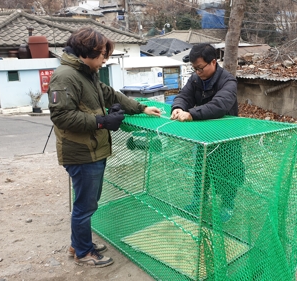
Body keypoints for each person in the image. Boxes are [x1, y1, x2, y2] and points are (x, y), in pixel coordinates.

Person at [47, 27, 161, 267]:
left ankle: (78, 243)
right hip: (81, 152)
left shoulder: (86, 72)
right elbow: (62, 117)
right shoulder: (66, 76)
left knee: (87, 202)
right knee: (85, 206)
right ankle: (83, 253)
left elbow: (108, 94)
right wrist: (101, 121)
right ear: (87, 52)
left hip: (92, 149)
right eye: (102, 55)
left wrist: (140, 108)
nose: (104, 60)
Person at [171, 43, 245, 222]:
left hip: (227, 138)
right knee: (201, 170)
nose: (197, 72)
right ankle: (199, 200)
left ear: (213, 62)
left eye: (200, 68)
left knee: (228, 173)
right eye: (194, 68)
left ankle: (227, 205)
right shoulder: (196, 80)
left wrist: (191, 114)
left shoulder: (228, 81)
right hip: (204, 136)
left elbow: (220, 105)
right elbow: (184, 95)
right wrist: (178, 107)